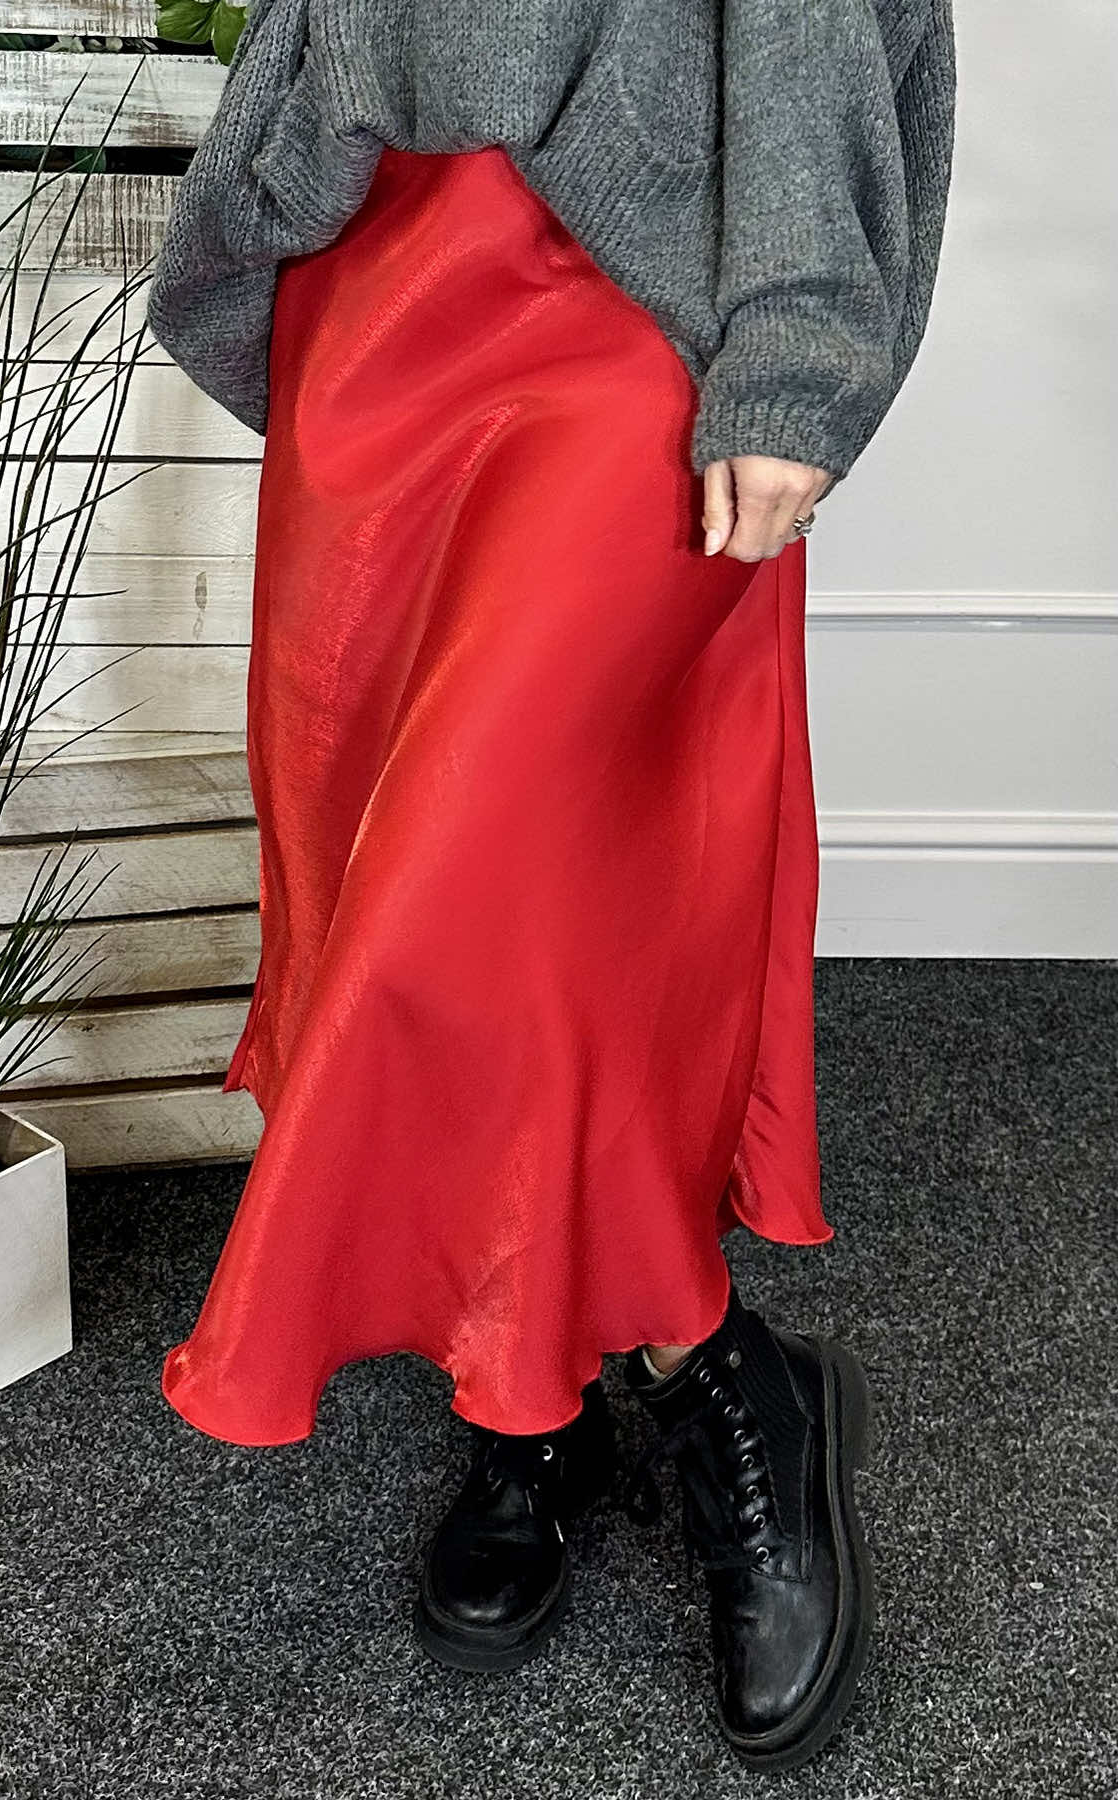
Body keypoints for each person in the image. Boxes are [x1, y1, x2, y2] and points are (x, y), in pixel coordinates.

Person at [147, 0, 956, 1773]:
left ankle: (711, 1363)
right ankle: (527, 1381)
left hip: (640, 272)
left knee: (488, 887)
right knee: (400, 864)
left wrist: (799, 339)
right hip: (378, 274)